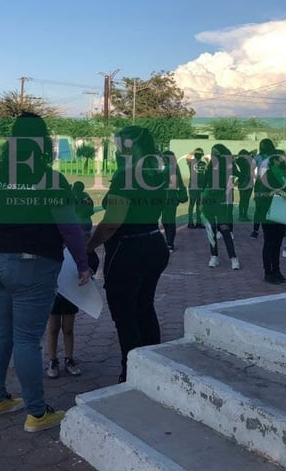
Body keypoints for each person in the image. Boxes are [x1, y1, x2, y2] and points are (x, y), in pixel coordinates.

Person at [0, 113, 91, 432]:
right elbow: (69, 226)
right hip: (32, 265)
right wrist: (83, 264)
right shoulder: (49, 177)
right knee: (27, 339)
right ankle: (37, 414)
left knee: (0, 332)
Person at [86, 125, 169, 384]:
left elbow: (112, 222)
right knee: (144, 307)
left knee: (125, 313)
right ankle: (152, 364)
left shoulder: (127, 175)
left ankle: (131, 373)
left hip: (128, 249)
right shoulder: (157, 173)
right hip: (155, 243)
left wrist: (87, 247)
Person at [45, 181, 95, 380]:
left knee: (68, 327)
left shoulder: (78, 243)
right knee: (53, 327)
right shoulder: (52, 238)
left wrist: (87, 269)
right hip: (54, 289)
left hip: (71, 292)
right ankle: (52, 360)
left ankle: (69, 358)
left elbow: (90, 260)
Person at [202, 143, 240, 270]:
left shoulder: (229, 164)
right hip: (209, 200)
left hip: (222, 199)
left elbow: (236, 178)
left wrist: (227, 193)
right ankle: (214, 256)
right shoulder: (211, 165)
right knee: (211, 229)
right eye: (212, 152)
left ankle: (233, 258)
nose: (214, 155)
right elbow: (204, 182)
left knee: (224, 228)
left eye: (216, 152)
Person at [260, 150, 286, 284]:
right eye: (281, 158)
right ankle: (268, 272)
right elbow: (261, 194)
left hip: (281, 213)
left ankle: (277, 270)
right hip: (268, 213)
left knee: (278, 243)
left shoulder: (284, 175)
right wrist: (276, 192)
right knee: (269, 243)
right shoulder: (267, 175)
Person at [160, 151, 187, 252]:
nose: (162, 159)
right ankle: (169, 242)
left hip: (170, 197)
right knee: (166, 220)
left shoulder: (171, 168)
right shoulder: (172, 167)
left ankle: (170, 243)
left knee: (169, 221)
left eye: (163, 158)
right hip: (166, 198)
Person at [250, 138, 276, 239]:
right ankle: (255, 230)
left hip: (271, 184)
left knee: (269, 207)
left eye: (264, 144)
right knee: (259, 208)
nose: (262, 146)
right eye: (261, 145)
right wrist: (254, 177)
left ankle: (268, 230)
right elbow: (251, 168)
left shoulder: (274, 156)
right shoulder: (258, 157)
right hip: (260, 185)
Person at [186, 148, 206, 228]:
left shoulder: (203, 163)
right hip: (193, 186)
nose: (198, 155)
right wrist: (194, 151)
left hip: (200, 186)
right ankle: (190, 222)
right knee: (192, 204)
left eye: (200, 154)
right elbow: (188, 156)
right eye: (197, 154)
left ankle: (198, 222)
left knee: (199, 205)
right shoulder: (191, 162)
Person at [234, 149, 253, 223]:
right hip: (247, 181)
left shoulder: (239, 161)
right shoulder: (245, 162)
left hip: (243, 182)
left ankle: (242, 215)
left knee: (243, 200)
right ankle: (244, 215)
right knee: (245, 200)